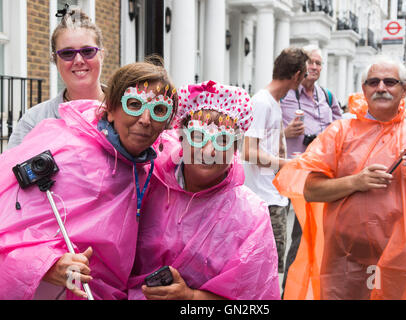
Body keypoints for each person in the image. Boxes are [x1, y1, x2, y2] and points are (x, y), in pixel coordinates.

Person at [274, 56, 406, 300]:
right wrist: (356, 182)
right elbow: (311, 190)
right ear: (364, 90)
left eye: (390, 82)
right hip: (346, 263)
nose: (381, 87)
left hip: (404, 264)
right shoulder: (339, 133)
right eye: (373, 82)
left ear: (405, 89)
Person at [0, 60, 177, 299]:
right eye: (134, 104)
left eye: (158, 110)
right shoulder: (66, 150)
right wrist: (45, 265)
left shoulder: (151, 170)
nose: (145, 119)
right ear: (111, 110)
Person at [127, 80, 280, 300]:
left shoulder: (252, 216)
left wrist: (189, 297)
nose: (209, 151)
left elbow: (256, 301)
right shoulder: (148, 185)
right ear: (181, 139)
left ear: (235, 149)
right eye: (198, 136)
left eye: (222, 140)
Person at [279, 45, 342, 293]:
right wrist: (285, 133)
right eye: (310, 62)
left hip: (315, 177)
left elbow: (342, 129)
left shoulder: (326, 96)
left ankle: (295, 290)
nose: (314, 67)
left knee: (304, 233)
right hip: (285, 174)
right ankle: (281, 289)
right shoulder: (285, 94)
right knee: (281, 234)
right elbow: (258, 134)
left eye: (318, 63)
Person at [242, 47, 309, 274]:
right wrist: (288, 164)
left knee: (270, 271)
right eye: (304, 75)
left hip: (273, 196)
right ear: (297, 75)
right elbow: (249, 152)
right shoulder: (261, 102)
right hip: (264, 199)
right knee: (264, 271)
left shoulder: (273, 102)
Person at [7, 7, 105, 149]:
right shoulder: (35, 120)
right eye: (67, 53)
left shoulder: (127, 112)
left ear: (101, 55)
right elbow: (10, 168)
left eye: (87, 51)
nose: (78, 60)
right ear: (55, 60)